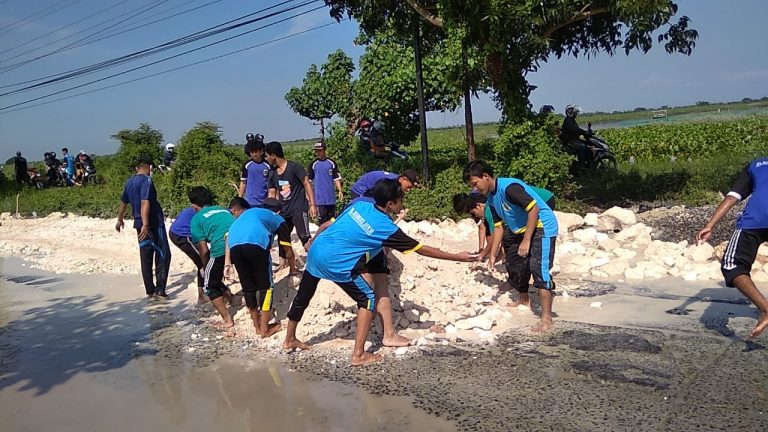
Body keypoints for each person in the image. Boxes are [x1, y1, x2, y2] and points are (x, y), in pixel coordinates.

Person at [283, 179, 478, 366]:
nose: (402, 203)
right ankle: (358, 354)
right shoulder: (385, 228)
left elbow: (330, 225)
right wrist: (456, 257)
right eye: (400, 200)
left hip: (318, 251)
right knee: (367, 299)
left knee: (304, 295)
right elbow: (420, 248)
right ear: (391, 203)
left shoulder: (359, 206)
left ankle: (290, 338)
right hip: (336, 263)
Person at [463, 160, 559, 333]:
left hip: (541, 226)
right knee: (514, 263)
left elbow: (534, 209)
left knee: (538, 268)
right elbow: (498, 227)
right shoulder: (490, 200)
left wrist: (527, 240)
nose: (475, 189)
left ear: (486, 176)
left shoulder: (509, 187)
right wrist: (492, 255)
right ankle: (524, 299)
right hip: (518, 229)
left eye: (475, 184)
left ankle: (546, 318)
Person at [696, 157, 768, 338]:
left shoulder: (756, 165)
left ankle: (766, 310)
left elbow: (733, 196)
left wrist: (710, 225)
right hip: (756, 219)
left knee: (732, 265)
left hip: (755, 220)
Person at [453, 187, 556, 309]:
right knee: (512, 249)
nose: (473, 217)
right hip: (522, 213)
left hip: (544, 200)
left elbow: (493, 239)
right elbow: (491, 233)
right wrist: (486, 253)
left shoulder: (490, 207)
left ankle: (545, 286)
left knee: (531, 253)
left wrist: (483, 255)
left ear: (478, 206)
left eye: (473, 214)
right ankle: (520, 287)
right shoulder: (485, 204)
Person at [227, 197, 290, 338]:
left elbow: (229, 236)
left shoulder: (247, 215)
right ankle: (265, 329)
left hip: (234, 247)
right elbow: (287, 248)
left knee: (248, 288)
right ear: (278, 211)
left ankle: (256, 326)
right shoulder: (278, 218)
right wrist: (292, 268)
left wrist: (227, 262)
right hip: (255, 245)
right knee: (266, 287)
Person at [116, 155, 172, 299]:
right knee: (163, 254)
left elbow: (123, 203)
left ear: (137, 168)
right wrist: (146, 224)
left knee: (145, 255)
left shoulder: (129, 182)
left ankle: (149, 290)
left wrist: (120, 220)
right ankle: (160, 290)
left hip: (138, 223)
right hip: (152, 223)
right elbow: (145, 202)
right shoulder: (147, 180)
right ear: (151, 167)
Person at [264, 141, 317, 273]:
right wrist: (271, 212)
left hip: (298, 208)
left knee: (304, 236)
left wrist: (312, 204)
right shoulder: (272, 173)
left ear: (273, 156)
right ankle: (284, 263)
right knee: (283, 238)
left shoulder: (295, 167)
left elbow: (306, 184)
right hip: (283, 211)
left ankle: (316, 262)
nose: (266, 159)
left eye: (267, 156)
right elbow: (272, 192)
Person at [189, 186, 237, 329]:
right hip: (241, 244)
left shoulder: (196, 219)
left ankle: (227, 320)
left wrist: (205, 266)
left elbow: (204, 250)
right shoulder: (223, 210)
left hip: (221, 250)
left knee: (209, 285)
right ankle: (233, 299)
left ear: (194, 205)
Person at [169, 206, 206, 303]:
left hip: (177, 232)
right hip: (182, 235)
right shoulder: (201, 211)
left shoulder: (194, 209)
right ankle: (203, 294)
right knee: (203, 261)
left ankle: (203, 292)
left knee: (204, 260)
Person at [307, 141, 343, 225]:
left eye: (319, 150)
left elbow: (336, 178)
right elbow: (308, 181)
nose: (318, 153)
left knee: (332, 219)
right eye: (316, 151)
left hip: (330, 197)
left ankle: (332, 234)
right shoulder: (313, 164)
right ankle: (322, 234)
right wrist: (309, 197)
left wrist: (340, 191)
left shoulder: (331, 163)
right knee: (322, 219)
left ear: (324, 150)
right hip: (319, 198)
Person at [238, 138, 277, 208]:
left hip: (265, 201)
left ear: (261, 151)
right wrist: (239, 198)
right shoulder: (247, 165)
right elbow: (243, 182)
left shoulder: (268, 165)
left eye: (256, 151)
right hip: (250, 202)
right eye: (252, 152)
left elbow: (272, 184)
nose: (254, 154)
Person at [349, 169, 419, 200]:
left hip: (371, 192)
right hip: (360, 191)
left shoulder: (396, 183)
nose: (409, 190)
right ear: (404, 179)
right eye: (409, 186)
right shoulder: (389, 181)